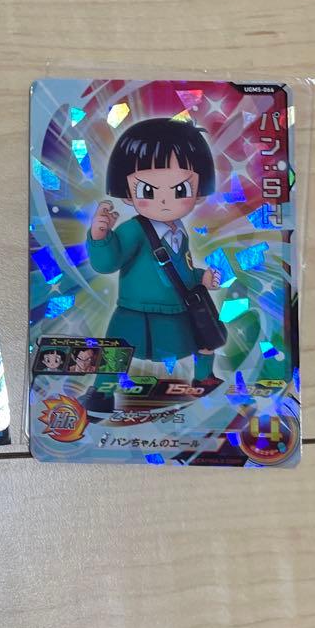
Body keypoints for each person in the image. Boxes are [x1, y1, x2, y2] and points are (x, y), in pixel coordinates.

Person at [85, 117, 222, 412]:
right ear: (126, 189)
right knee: (116, 351)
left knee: (204, 340)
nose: (164, 201)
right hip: (135, 311)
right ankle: (102, 394)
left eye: (180, 190)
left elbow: (182, 268)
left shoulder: (179, 230)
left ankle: (204, 378)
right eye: (148, 191)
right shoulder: (134, 230)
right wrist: (100, 236)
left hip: (177, 309)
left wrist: (200, 277)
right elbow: (108, 263)